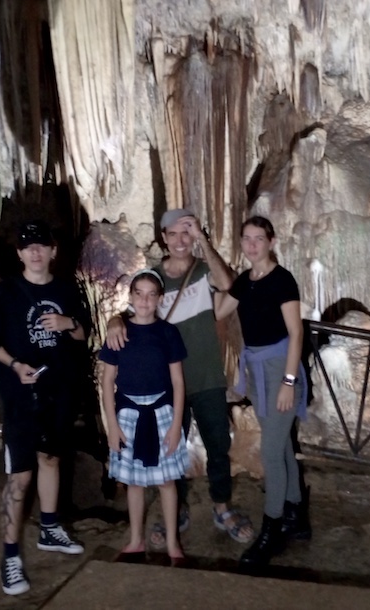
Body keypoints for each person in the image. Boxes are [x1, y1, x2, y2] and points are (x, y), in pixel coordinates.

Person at [106, 208, 254, 546]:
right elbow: (136, 309)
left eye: (187, 233)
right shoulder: (155, 280)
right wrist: (116, 320)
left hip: (206, 376)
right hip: (166, 385)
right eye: (173, 234)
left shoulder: (203, 272)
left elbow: (229, 285)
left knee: (218, 445)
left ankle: (222, 507)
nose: (180, 240)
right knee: (171, 451)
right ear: (163, 238)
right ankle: (180, 510)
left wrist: (204, 240)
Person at [0, 220, 87, 596]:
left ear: (53, 250)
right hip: (21, 394)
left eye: (41, 244)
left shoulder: (67, 290)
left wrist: (66, 321)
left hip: (59, 389)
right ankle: (10, 556)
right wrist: (15, 365)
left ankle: (50, 529)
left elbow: (82, 333)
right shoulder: (5, 293)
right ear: (19, 254)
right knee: (20, 475)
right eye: (28, 246)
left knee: (51, 459)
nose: (35, 251)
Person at [214, 215, 311, 569]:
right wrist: (211, 263)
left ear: (271, 242)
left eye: (258, 238)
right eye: (247, 239)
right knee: (281, 445)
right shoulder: (245, 280)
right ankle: (297, 515)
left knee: (270, 452)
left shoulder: (282, 280)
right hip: (256, 371)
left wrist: (288, 383)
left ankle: (272, 528)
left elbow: (296, 333)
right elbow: (220, 310)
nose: (252, 244)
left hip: (279, 369)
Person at [99, 269, 188, 560]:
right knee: (134, 482)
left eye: (152, 295)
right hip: (128, 415)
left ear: (160, 299)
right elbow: (107, 381)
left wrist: (176, 425)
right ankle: (136, 538)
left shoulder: (168, 333)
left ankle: (173, 542)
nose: (145, 300)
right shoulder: (119, 332)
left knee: (166, 481)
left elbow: (177, 381)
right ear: (131, 297)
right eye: (140, 294)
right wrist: (111, 425)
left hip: (161, 413)